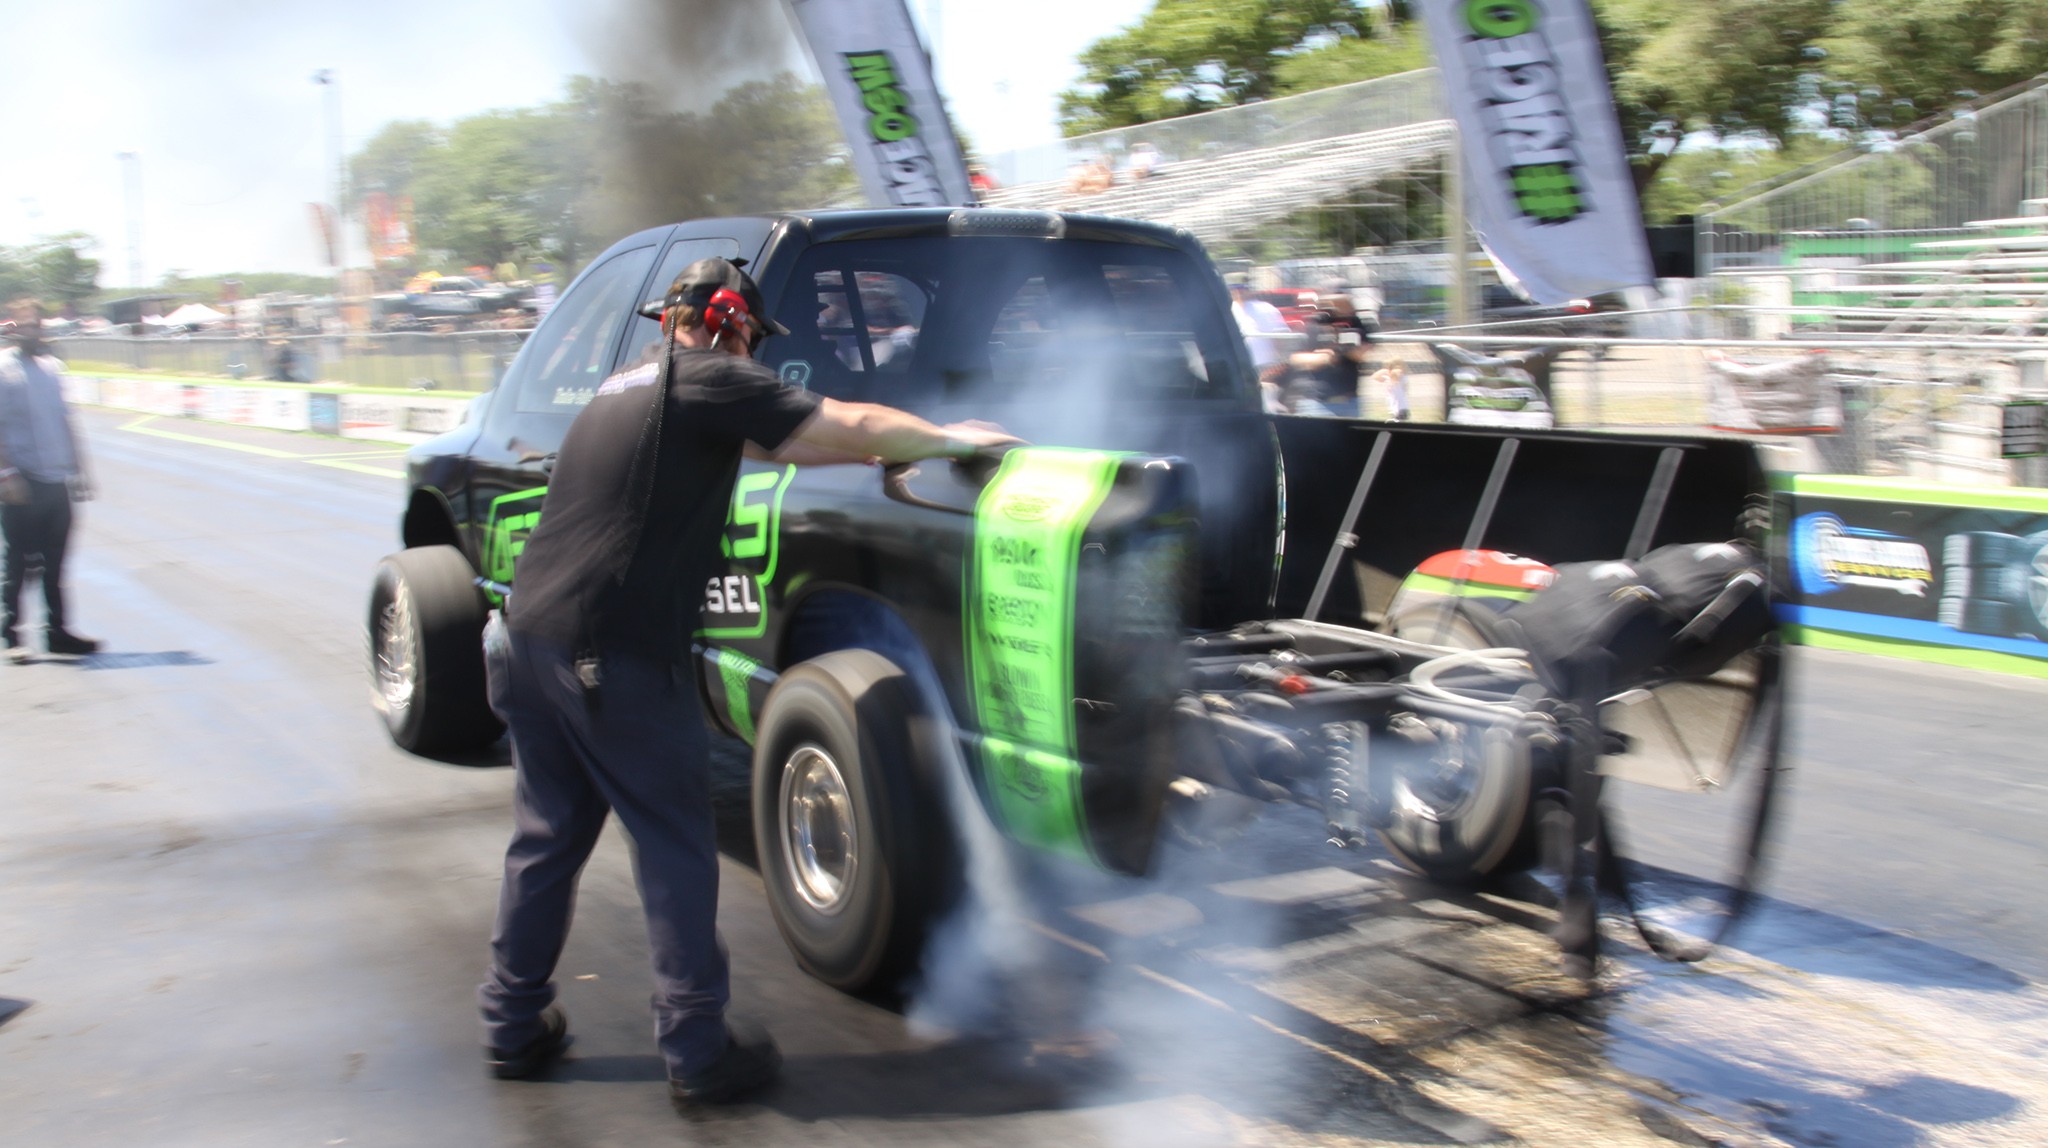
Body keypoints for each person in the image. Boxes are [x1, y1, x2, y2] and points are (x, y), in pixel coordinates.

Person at [478, 258, 1017, 1110]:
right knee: (676, 846)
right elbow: (851, 416)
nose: (757, 359)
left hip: (526, 641)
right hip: (608, 657)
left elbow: (799, 442)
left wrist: (879, 454)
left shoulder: (630, 384)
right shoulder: (710, 377)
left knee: (545, 841)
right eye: (755, 341)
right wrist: (952, 439)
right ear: (728, 323)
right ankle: (697, 1049)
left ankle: (510, 1025)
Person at [0, 297, 99, 664]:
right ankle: (12, 637)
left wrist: (80, 471)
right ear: (13, 326)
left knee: (56, 562)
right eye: (24, 324)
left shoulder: (53, 367)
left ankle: (57, 632)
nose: (32, 330)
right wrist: (6, 474)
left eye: (37, 324)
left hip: (56, 480)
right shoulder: (3, 369)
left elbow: (67, 420)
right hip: (20, 480)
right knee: (20, 563)